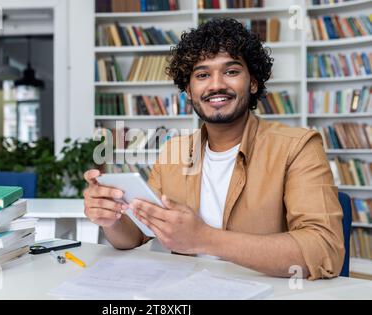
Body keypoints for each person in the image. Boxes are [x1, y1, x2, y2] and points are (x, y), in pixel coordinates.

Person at [83, 18, 344, 280]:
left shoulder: (298, 147)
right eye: (202, 75)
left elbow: (324, 249)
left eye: (231, 71)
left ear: (253, 82)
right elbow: (137, 235)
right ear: (189, 89)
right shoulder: (174, 151)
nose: (216, 85)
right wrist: (111, 217)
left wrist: (204, 238)